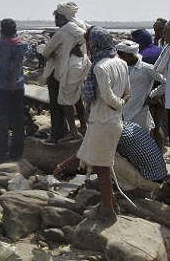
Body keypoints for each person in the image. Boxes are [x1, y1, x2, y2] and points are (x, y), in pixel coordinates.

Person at [54, 27, 129, 223]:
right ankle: (111, 202)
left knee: (101, 167)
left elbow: (107, 96)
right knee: (104, 163)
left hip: (102, 121)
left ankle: (108, 211)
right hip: (114, 121)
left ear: (94, 44)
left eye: (89, 43)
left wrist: (117, 103)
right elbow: (128, 91)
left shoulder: (100, 67)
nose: (87, 47)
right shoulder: (120, 62)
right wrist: (121, 104)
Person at [40, 2, 89, 143]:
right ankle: (83, 127)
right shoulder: (82, 27)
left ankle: (59, 133)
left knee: (58, 104)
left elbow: (46, 51)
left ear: (62, 18)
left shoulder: (62, 32)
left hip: (59, 72)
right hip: (79, 69)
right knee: (77, 100)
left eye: (57, 18)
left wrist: (56, 52)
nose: (55, 21)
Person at [0, 18, 30, 161]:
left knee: (3, 120)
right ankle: (17, 153)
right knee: (18, 120)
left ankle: (2, 152)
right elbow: (28, 54)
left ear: (2, 31)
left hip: (2, 86)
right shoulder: (22, 44)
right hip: (18, 86)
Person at [116, 41, 165, 145]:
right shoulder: (122, 67)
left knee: (144, 140)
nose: (120, 58)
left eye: (122, 56)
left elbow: (166, 82)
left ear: (129, 55)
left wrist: (153, 95)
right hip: (124, 111)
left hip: (139, 113)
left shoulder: (146, 68)